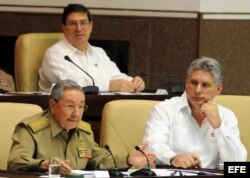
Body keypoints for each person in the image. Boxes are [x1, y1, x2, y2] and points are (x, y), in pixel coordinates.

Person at [7, 79, 155, 173]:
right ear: (53, 105)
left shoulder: (83, 131)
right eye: (70, 106)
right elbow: (15, 162)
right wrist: (44, 164)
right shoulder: (30, 129)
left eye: (81, 107)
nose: (76, 114)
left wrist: (128, 159)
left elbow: (100, 159)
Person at [143, 57, 247, 168]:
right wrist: (173, 158)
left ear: (218, 90)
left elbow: (238, 162)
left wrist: (218, 126)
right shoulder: (164, 109)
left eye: (205, 85)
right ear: (187, 83)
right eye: (194, 82)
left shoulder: (226, 116)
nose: (197, 90)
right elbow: (151, 146)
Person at [39, 4, 145, 93]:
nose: (79, 28)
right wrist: (110, 85)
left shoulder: (99, 52)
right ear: (63, 27)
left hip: (98, 108)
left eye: (83, 23)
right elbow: (72, 84)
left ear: (91, 26)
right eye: (72, 23)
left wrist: (132, 82)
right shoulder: (54, 54)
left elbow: (115, 75)